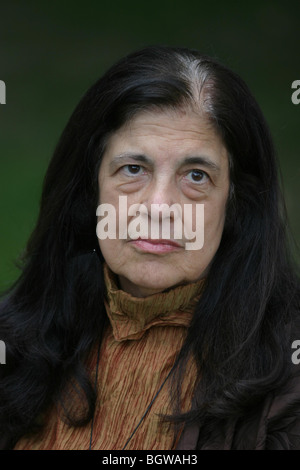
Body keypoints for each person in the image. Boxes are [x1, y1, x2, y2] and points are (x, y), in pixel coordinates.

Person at [0, 45, 300, 450]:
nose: (159, 208)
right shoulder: (14, 347)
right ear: (92, 191)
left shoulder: (289, 377)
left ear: (235, 202)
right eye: (133, 169)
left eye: (196, 175)